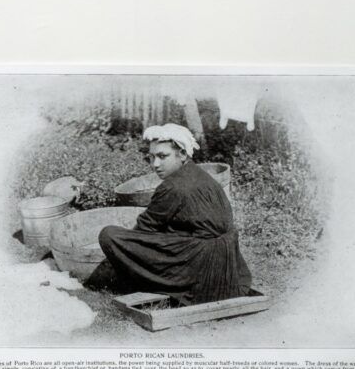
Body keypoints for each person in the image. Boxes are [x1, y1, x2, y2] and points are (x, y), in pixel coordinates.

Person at [98, 123, 252, 305]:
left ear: (183, 154)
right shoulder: (200, 174)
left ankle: (149, 282)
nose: (155, 164)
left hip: (202, 268)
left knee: (109, 235)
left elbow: (145, 229)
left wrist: (122, 254)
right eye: (152, 157)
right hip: (228, 266)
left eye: (163, 156)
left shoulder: (172, 186)